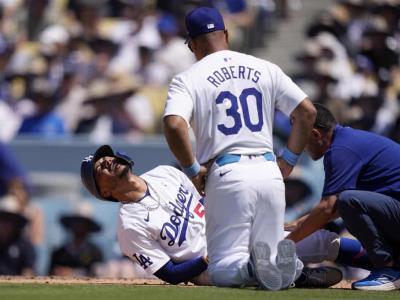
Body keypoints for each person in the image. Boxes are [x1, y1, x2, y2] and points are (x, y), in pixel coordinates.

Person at [162, 6, 316, 290]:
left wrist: (192, 169)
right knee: (273, 277)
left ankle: (251, 266)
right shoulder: (265, 67)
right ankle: (287, 267)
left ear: (192, 44)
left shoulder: (188, 78)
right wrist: (289, 159)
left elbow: (174, 125)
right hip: (269, 170)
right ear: (227, 35)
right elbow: (307, 111)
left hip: (227, 172)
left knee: (222, 269)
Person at [80, 144, 344, 287]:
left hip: (232, 230)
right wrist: (209, 258)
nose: (108, 161)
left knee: (322, 240)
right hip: (211, 265)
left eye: (107, 157)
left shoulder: (165, 173)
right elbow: (171, 274)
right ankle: (297, 276)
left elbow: (209, 202)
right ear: (104, 191)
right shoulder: (129, 226)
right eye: (100, 167)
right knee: (245, 268)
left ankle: (383, 262)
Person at [286, 103, 400, 291]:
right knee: (343, 211)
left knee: (348, 200)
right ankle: (391, 265)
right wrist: (297, 225)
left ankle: (389, 270)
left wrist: (287, 244)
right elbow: (332, 209)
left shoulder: (341, 150)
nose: (299, 147)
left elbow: (330, 207)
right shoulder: (345, 141)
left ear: (315, 134)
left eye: (300, 139)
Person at [48, 203, 104, 277]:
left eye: (82, 222)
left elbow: (98, 275)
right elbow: (48, 275)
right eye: (76, 221)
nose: (78, 226)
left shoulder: (95, 252)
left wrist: (73, 273)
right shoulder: (59, 253)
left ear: (88, 226)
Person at [0, 196, 36, 275]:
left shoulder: (25, 246)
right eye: (2, 219)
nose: (5, 224)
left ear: (16, 222)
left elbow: (29, 271)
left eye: (9, 220)